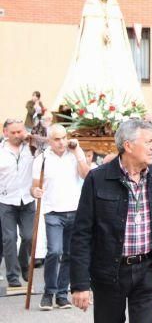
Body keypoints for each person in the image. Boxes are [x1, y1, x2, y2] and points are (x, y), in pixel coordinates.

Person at [70, 118, 152, 322]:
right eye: (148, 142)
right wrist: (80, 283)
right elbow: (81, 234)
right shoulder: (97, 179)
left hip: (148, 270)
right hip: (109, 272)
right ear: (128, 146)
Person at [31, 124, 90, 309]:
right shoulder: (41, 159)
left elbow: (86, 175)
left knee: (69, 254)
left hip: (74, 210)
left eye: (64, 137)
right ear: (49, 140)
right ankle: (49, 293)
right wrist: (35, 191)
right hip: (53, 212)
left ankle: (62, 294)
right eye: (57, 139)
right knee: (54, 251)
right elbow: (33, 186)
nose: (62, 142)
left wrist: (79, 151)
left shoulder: (74, 155)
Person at [0, 118, 36, 287]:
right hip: (5, 200)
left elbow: (48, 146)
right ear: (5, 132)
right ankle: (13, 276)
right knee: (9, 238)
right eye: (12, 132)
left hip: (27, 199)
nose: (16, 135)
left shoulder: (32, 147)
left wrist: (33, 139)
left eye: (19, 131)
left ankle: (24, 264)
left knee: (28, 237)